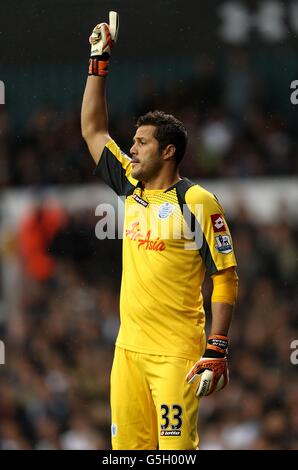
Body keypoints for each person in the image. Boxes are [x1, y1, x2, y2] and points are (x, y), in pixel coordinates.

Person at [81, 12, 238, 450]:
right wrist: (98, 61)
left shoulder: (197, 202)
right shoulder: (130, 187)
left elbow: (226, 275)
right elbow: (93, 130)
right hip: (127, 353)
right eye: (132, 142)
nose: (130, 148)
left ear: (169, 151)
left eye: (141, 143)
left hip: (177, 357)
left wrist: (217, 348)